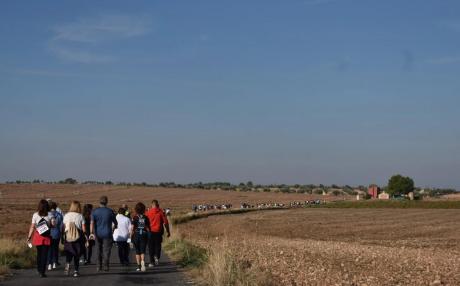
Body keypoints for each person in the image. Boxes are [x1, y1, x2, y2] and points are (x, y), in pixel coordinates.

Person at [27, 199, 55, 278]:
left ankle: (39, 269)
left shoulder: (35, 215)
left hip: (38, 236)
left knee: (39, 254)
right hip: (46, 237)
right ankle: (42, 271)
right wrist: (50, 225)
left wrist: (29, 237)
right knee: (45, 254)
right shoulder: (50, 215)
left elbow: (32, 227)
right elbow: (54, 225)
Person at [90, 196, 117, 272]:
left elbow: (92, 223)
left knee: (98, 249)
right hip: (107, 233)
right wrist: (114, 228)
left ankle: (98, 266)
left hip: (97, 233)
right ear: (107, 202)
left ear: (99, 202)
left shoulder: (94, 211)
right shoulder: (110, 211)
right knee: (106, 250)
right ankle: (106, 265)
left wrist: (91, 232)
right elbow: (115, 223)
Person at [63, 201, 85, 277]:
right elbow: (83, 228)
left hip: (68, 236)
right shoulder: (80, 216)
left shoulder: (66, 215)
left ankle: (68, 263)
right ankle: (76, 271)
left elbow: (64, 226)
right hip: (78, 236)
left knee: (69, 252)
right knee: (77, 254)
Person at [146, 199, 170, 267]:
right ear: (158, 205)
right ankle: (157, 257)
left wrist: (145, 230)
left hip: (150, 232)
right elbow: (166, 222)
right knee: (158, 245)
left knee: (151, 247)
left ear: (152, 205)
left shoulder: (148, 212)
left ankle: (151, 262)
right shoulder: (161, 212)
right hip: (159, 232)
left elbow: (144, 222)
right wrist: (168, 231)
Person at [131, 202, 150, 272]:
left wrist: (130, 237)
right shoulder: (146, 217)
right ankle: (143, 262)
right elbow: (148, 227)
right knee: (143, 251)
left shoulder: (135, 218)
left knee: (137, 251)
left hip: (136, 234)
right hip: (144, 235)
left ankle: (139, 266)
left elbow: (132, 228)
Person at [48, 201, 63, 270]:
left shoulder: (48, 214)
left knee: (49, 249)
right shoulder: (59, 215)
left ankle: (49, 264)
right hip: (57, 233)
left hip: (49, 233)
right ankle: (55, 262)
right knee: (55, 248)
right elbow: (61, 225)